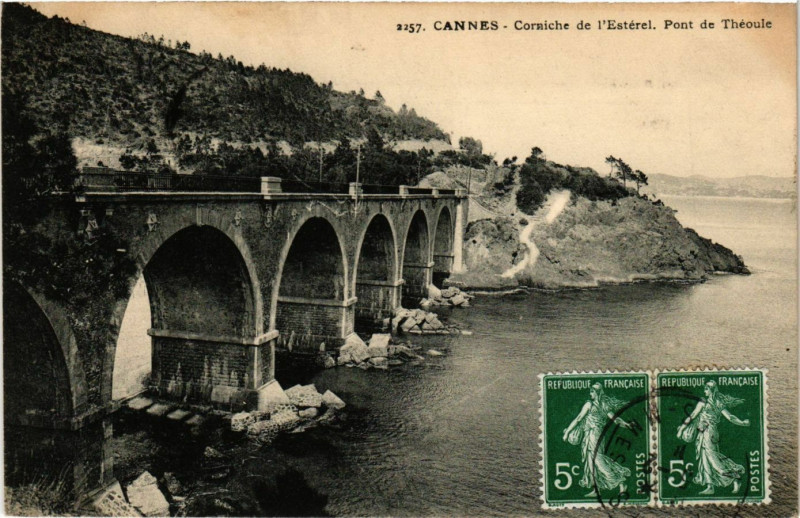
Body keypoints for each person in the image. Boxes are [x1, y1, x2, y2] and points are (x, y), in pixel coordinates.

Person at [677, 380, 749, 495]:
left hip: (708, 433)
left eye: (706, 389)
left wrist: (681, 429)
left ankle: (736, 476)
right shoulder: (717, 402)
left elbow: (693, 416)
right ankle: (710, 486)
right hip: (703, 433)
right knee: (704, 459)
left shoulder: (707, 402)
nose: (704, 391)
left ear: (711, 390)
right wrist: (742, 422)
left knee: (713, 460)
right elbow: (730, 417)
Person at [562, 383, 634, 497]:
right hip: (592, 434)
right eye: (590, 391)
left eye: (592, 391)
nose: (590, 394)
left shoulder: (590, 404)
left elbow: (579, 418)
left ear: (598, 392)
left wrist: (567, 432)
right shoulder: (603, 405)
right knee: (590, 462)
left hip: (594, 434)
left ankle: (620, 482)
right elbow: (615, 420)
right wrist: (626, 424)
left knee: (597, 460)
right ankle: (596, 490)